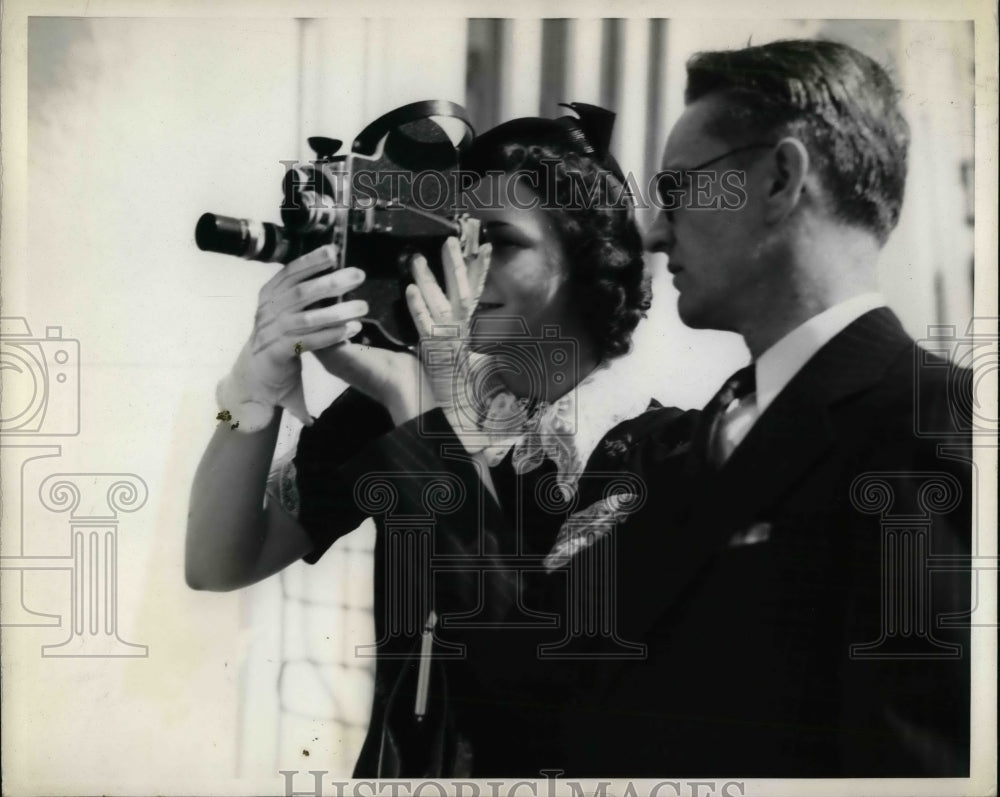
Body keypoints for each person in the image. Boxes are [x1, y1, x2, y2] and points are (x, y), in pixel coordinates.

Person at [186, 106, 689, 776]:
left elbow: (535, 685)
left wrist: (418, 408)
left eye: (501, 242)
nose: (464, 269)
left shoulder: (653, 450)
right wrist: (253, 387)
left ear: (590, 263)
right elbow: (217, 561)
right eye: (456, 240)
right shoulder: (398, 402)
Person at [587, 38, 970, 776]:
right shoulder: (708, 431)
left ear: (780, 180)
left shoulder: (932, 425)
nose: (655, 231)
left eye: (677, 190)